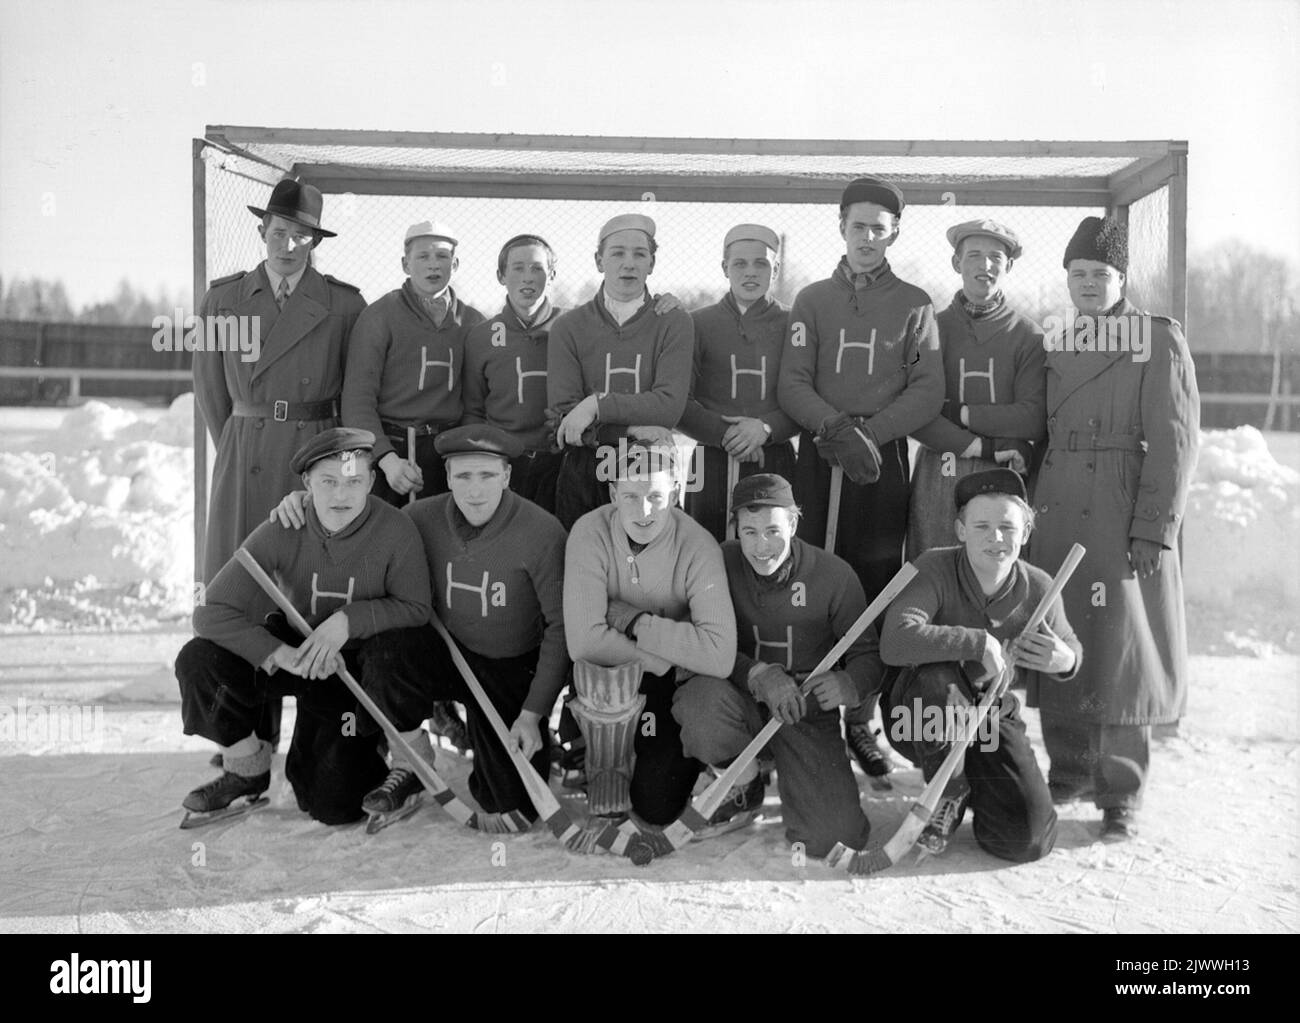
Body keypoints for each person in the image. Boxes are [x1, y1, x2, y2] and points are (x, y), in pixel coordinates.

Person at [1028, 216, 1200, 840]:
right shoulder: (1058, 340)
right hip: (1059, 504)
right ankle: (1069, 768)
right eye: (1078, 274)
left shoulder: (1156, 338)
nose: (1089, 285)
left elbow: (1176, 442)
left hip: (1122, 508)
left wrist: (1154, 527)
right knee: (1061, 636)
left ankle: (1121, 789)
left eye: (1100, 274)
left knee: (1123, 652)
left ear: (1122, 278)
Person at [175, 429, 434, 826]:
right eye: (328, 481)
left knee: (334, 806)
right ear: (306, 483)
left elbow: (416, 608)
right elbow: (209, 612)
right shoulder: (285, 524)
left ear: (371, 481)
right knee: (200, 658)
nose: (340, 496)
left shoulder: (396, 530)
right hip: (297, 654)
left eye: (354, 482)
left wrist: (348, 622)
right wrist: (279, 654)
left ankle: (405, 761)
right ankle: (246, 768)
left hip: (352, 670)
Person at [777, 175, 944, 782]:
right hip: (821, 458)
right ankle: (802, 711)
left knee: (874, 580)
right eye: (858, 225)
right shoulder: (812, 300)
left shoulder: (915, 302)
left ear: (893, 231)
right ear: (841, 227)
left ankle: (859, 715)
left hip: (881, 462)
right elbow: (792, 382)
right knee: (814, 572)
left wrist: (871, 435)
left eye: (879, 227)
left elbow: (928, 388)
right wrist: (834, 428)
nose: (868, 237)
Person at [192, 178, 366, 756]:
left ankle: (319, 742)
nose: (289, 245)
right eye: (280, 231)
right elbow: (212, 393)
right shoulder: (223, 300)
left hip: (314, 451)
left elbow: (356, 393)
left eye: (302, 236)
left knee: (306, 588)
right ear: (262, 229)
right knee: (242, 591)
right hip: (247, 456)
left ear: (315, 241)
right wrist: (242, 448)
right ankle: (248, 738)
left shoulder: (344, 303)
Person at [673, 474, 879, 855]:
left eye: (772, 530)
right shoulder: (718, 563)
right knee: (699, 705)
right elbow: (699, 639)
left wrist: (849, 683)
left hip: (806, 709)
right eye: (749, 532)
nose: (761, 546)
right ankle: (743, 784)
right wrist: (757, 674)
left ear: (794, 524)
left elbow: (867, 652)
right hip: (741, 699)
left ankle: (796, 775)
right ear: (736, 528)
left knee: (834, 838)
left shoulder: (834, 575)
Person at [879, 468, 1078, 861]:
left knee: (1028, 839)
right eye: (982, 525)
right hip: (919, 713)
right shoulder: (933, 567)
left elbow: (1069, 645)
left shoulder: (1039, 585)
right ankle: (947, 792)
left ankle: (975, 785)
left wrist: (1065, 659)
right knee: (939, 677)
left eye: (1008, 526)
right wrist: (976, 642)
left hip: (989, 714)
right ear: (960, 529)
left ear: (1025, 533)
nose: (996, 537)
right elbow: (895, 640)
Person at [562, 442, 737, 831]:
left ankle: (646, 759)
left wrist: (638, 623)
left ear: (675, 493)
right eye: (631, 495)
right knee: (598, 682)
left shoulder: (698, 546)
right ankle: (594, 751)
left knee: (656, 807)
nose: (644, 510)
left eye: (656, 496)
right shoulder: (590, 532)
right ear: (613, 494)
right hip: (613, 676)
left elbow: (720, 655)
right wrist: (669, 656)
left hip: (667, 688)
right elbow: (584, 642)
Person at [546, 214, 695, 530]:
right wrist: (631, 430)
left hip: (649, 464)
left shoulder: (673, 321)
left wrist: (595, 405)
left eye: (639, 254)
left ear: (652, 263)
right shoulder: (568, 327)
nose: (629, 263)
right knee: (587, 562)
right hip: (587, 465)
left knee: (653, 568)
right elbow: (565, 419)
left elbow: (668, 406)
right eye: (617, 253)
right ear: (599, 260)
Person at [907, 220, 1046, 558]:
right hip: (940, 467)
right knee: (934, 567)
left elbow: (1031, 417)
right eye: (974, 256)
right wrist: (988, 441)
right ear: (957, 263)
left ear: (1008, 266)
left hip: (1002, 472)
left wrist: (960, 413)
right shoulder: (929, 328)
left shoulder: (1028, 335)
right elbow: (916, 411)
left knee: (994, 570)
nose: (985, 266)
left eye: (996, 257)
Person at [342, 220, 486, 506]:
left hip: (447, 453)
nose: (433, 265)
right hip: (388, 453)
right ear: (406, 264)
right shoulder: (379, 316)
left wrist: (463, 454)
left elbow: (475, 403)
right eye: (423, 256)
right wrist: (385, 459)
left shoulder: (473, 323)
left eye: (442, 256)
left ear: (455, 264)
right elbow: (357, 400)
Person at [680, 224, 799, 541]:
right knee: (705, 547)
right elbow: (679, 400)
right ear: (724, 268)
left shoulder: (795, 323)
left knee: (769, 547)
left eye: (761, 263)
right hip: (710, 456)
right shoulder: (696, 323)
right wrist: (727, 435)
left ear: (774, 269)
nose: (750, 272)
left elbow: (806, 395)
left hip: (773, 454)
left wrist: (765, 428)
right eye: (739, 263)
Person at [461, 235, 565, 513]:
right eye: (518, 268)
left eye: (537, 268)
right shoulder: (482, 336)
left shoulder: (571, 328)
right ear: (501, 275)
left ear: (552, 274)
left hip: (560, 460)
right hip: (504, 462)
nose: (528, 278)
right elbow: (473, 408)